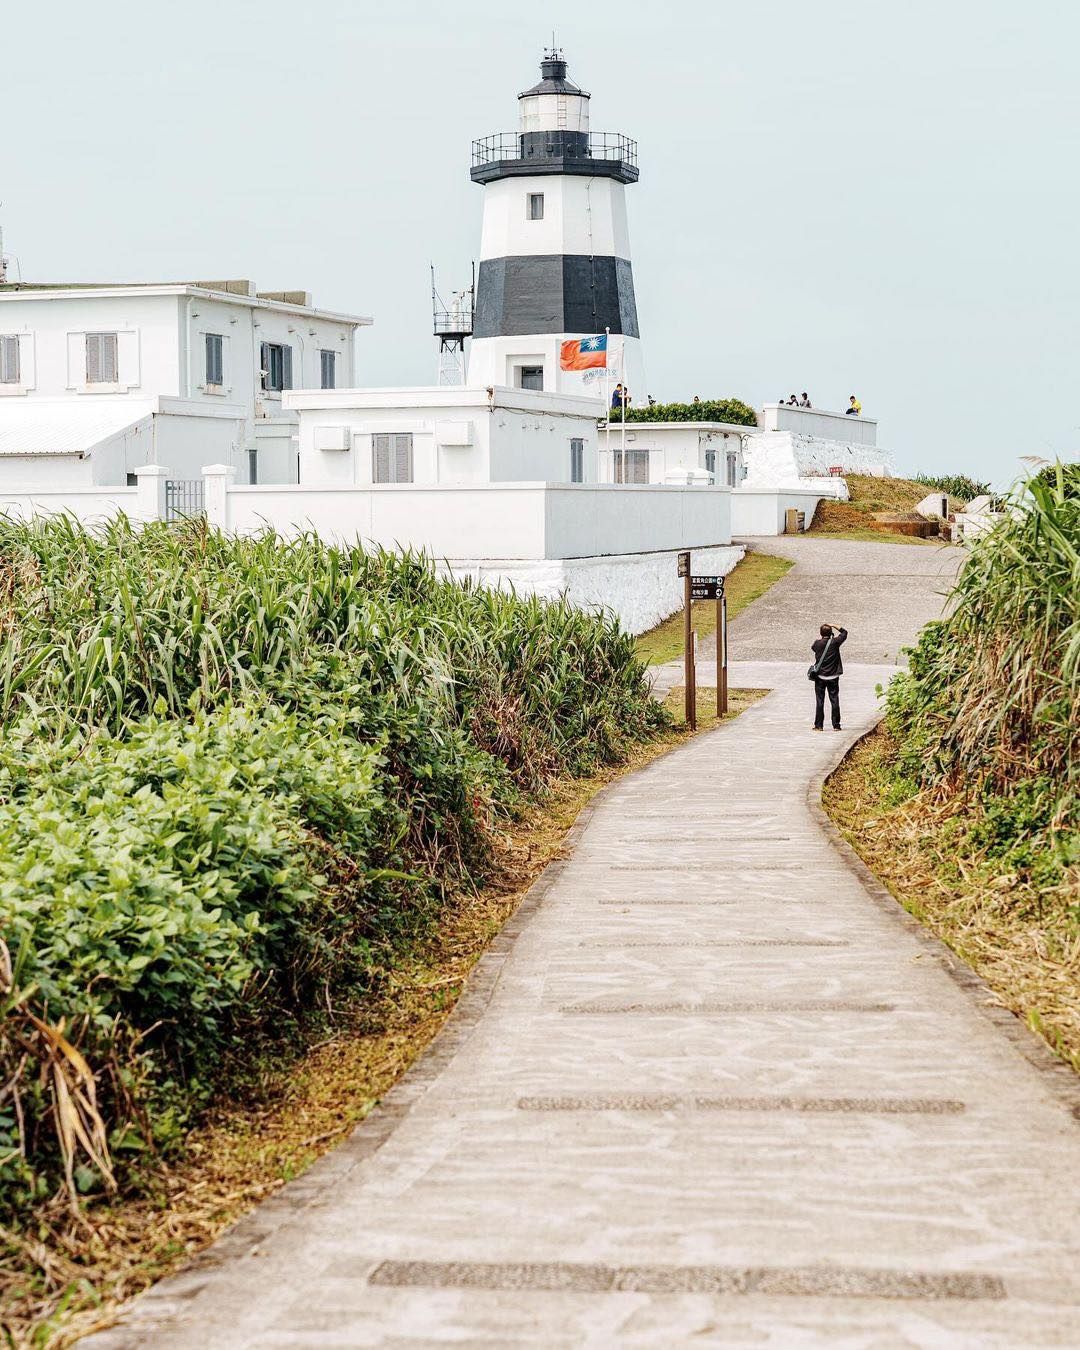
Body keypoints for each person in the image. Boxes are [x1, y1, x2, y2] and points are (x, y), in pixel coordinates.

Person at [810, 623, 847, 731]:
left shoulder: (817, 644)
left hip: (820, 676)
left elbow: (814, 648)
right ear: (831, 633)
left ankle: (819, 725)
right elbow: (844, 632)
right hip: (833, 677)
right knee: (834, 700)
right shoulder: (835, 642)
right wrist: (834, 625)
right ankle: (836, 725)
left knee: (820, 701)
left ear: (820, 633)